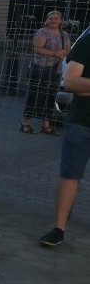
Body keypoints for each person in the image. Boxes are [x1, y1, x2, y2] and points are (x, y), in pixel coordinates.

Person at [38, 28, 90, 247]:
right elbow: (70, 83)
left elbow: (81, 85)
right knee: (70, 175)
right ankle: (59, 228)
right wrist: (82, 87)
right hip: (82, 122)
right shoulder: (88, 41)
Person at [21, 10, 70, 135]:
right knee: (35, 94)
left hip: (56, 69)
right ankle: (25, 123)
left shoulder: (64, 34)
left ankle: (46, 124)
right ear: (47, 20)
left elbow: (68, 50)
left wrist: (62, 53)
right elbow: (38, 49)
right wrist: (55, 53)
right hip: (39, 68)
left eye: (56, 18)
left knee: (50, 96)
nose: (53, 21)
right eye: (51, 18)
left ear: (61, 21)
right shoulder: (42, 32)